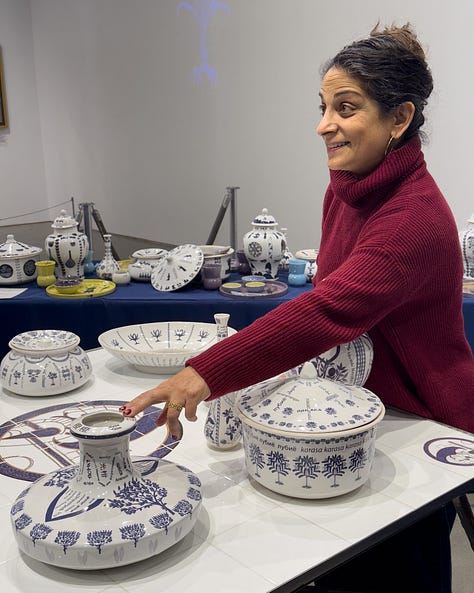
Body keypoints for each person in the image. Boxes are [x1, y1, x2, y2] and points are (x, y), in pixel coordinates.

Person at [121, 23, 474, 593]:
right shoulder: (348, 185)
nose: (323, 125)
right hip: (356, 405)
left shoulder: (413, 218)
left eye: (345, 108)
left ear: (400, 119)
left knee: (395, 565)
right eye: (323, 107)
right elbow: (329, 300)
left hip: (417, 414)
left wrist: (203, 373)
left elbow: (330, 309)